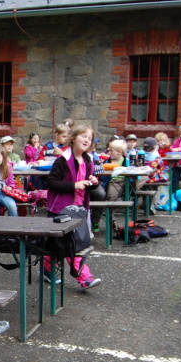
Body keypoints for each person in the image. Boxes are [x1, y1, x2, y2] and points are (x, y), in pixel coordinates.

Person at [44, 124, 102, 291]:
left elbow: (88, 185)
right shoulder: (62, 161)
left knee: (59, 245)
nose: (86, 140)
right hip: (61, 210)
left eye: (89, 138)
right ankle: (84, 277)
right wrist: (73, 185)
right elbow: (51, 182)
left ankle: (47, 269)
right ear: (74, 138)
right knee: (72, 245)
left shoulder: (88, 160)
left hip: (79, 209)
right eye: (83, 136)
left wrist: (93, 183)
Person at [103, 138, 142, 232]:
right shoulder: (107, 161)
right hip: (113, 181)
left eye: (111, 151)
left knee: (134, 187)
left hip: (125, 181)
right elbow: (103, 176)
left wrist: (133, 177)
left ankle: (129, 199)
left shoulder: (127, 161)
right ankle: (112, 219)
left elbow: (134, 172)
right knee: (111, 198)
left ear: (119, 152)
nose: (109, 152)